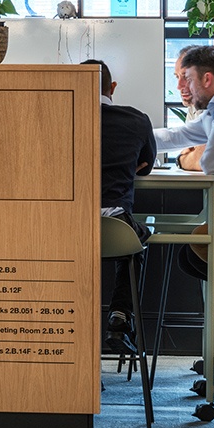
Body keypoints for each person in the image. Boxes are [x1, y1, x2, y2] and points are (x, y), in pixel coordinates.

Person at [82, 59, 156, 353]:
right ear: (111, 87)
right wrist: (125, 166)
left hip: (66, 228)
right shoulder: (137, 120)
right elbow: (146, 165)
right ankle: (120, 316)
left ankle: (70, 320)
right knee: (135, 239)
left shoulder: (58, 116)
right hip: (115, 224)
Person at [153, 46, 214, 201]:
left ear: (207, 79)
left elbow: (211, 163)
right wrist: (125, 137)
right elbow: (176, 136)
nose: (181, 87)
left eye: (188, 79)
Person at [172, 46, 203, 172]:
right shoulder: (193, 108)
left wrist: (181, 160)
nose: (179, 86)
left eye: (186, 77)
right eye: (177, 77)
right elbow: (189, 148)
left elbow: (202, 160)